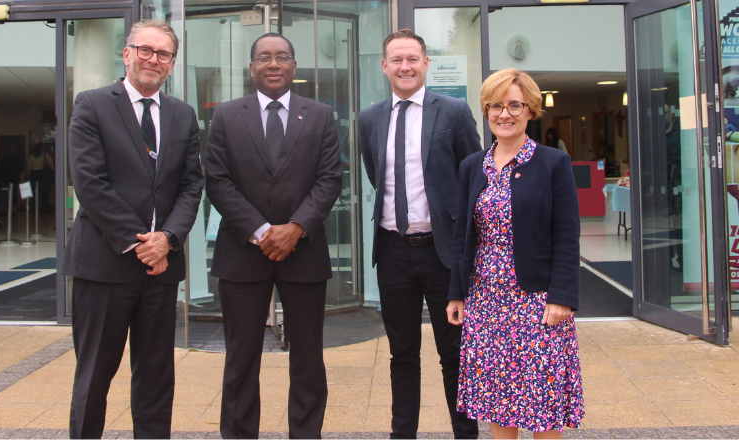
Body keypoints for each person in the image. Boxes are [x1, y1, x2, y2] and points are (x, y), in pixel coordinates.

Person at [58, 19, 204, 439]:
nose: (153, 60)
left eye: (163, 54)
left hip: (161, 271)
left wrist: (169, 239)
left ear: (172, 64)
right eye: (145, 50)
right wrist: (141, 244)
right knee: (94, 376)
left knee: (157, 377)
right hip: (104, 267)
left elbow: (192, 184)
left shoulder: (182, 114)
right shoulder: (92, 104)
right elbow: (89, 183)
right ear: (127, 53)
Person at [205, 32, 342, 439]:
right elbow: (217, 180)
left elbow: (329, 178)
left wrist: (296, 228)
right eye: (264, 57)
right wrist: (262, 231)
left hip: (304, 253)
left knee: (307, 359)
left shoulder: (319, 115)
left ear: (294, 67)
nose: (273, 64)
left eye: (282, 57)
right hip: (242, 254)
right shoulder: (227, 115)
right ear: (252, 68)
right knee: (241, 359)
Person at [447, 68, 585, 439]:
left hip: (537, 300)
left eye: (514, 105)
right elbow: (464, 234)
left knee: (542, 404)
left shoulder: (552, 163)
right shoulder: (471, 166)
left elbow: (567, 235)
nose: (503, 114)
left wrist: (562, 297)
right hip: (486, 300)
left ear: (531, 110)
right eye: (495, 106)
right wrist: (457, 292)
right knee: (497, 400)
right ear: (486, 110)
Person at [358, 29, 481, 440]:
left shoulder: (454, 112)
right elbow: (378, 177)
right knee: (402, 354)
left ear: (426, 63)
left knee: (454, 354)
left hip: (442, 255)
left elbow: (474, 178)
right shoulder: (369, 118)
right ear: (385, 66)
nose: (405, 67)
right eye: (397, 60)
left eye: (413, 59)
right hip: (392, 252)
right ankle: (402, 434)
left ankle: (465, 434)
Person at [27, 142, 55, 212]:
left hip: (34, 176)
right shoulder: (46, 155)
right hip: (43, 177)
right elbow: (52, 167)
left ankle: (35, 209)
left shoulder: (31, 157)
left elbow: (28, 168)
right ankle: (45, 208)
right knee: (45, 194)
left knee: (35, 194)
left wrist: (29, 177)